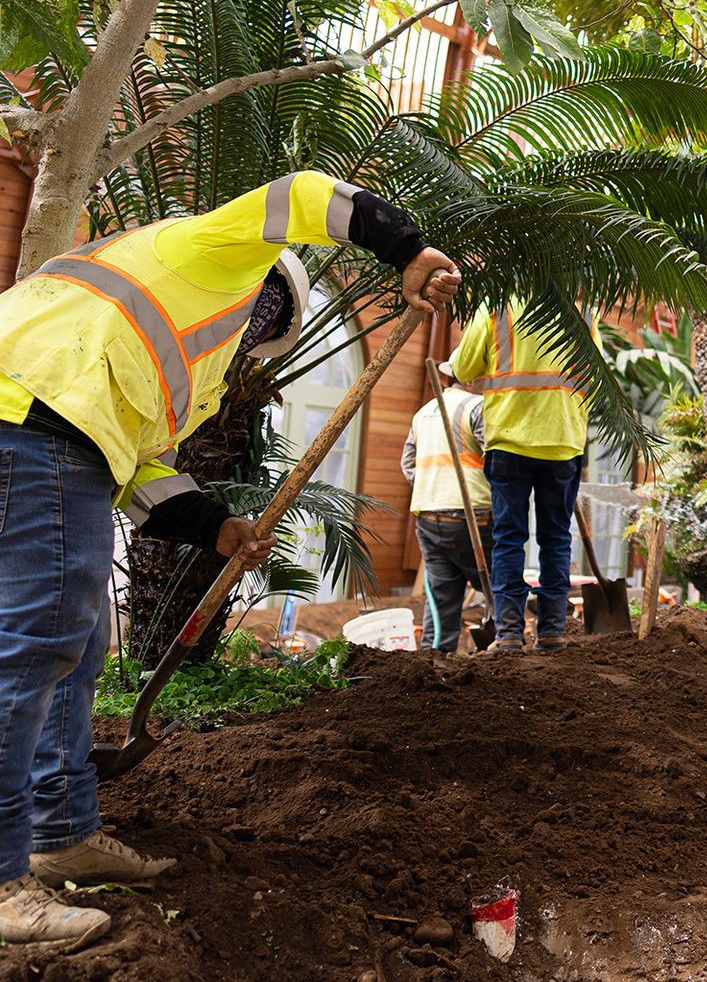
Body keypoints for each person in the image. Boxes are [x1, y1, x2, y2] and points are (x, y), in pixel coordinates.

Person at [0, 172, 459, 945]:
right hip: (37, 422)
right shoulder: (211, 253)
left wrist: (217, 529)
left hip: (57, 436)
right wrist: (405, 249)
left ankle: (61, 830)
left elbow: (141, 467)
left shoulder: (173, 354)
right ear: (271, 290)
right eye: (268, 321)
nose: (254, 334)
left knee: (69, 651)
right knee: (31, 651)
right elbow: (308, 193)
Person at [452, 301, 597, 653]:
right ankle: (551, 632)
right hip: (562, 443)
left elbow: (462, 368)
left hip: (509, 442)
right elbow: (595, 379)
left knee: (509, 538)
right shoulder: (583, 313)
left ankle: (510, 634)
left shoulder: (496, 307)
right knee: (556, 539)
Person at [401, 362, 491, 652]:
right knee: (498, 586)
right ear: (471, 377)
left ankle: (434, 658)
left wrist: (434, 485)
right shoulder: (477, 407)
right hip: (474, 517)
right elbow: (496, 460)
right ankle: (504, 648)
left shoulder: (423, 413)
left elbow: (408, 465)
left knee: (441, 596)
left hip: (429, 517)